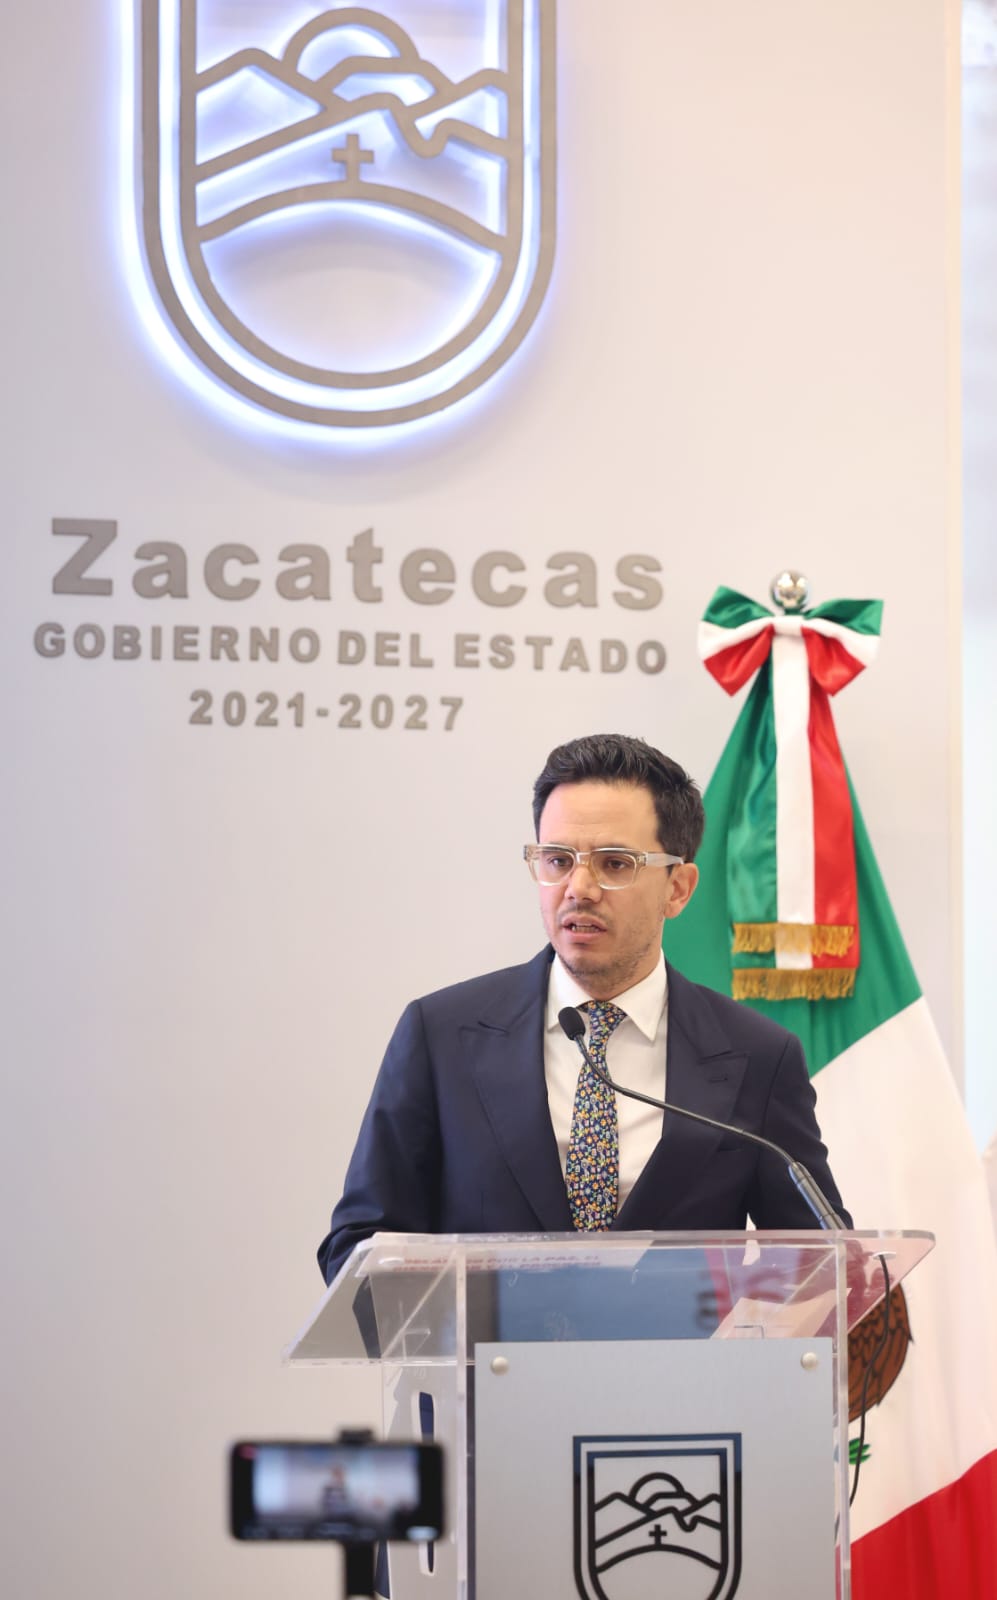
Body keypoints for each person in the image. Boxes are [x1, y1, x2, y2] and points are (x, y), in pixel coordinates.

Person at [317, 733, 850, 1286]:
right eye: (557, 860)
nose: (579, 888)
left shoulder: (757, 1056)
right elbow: (358, 1246)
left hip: (675, 1348)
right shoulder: (442, 1035)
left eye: (615, 864)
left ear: (678, 889)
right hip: (486, 1345)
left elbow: (821, 1265)